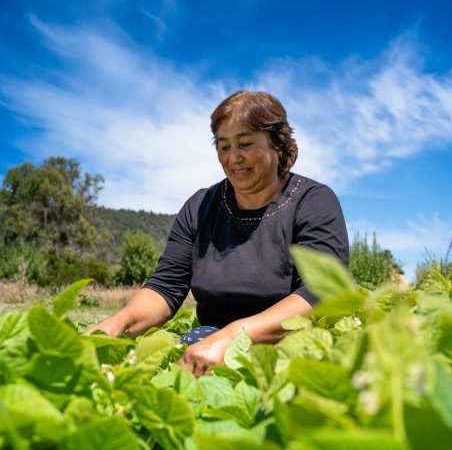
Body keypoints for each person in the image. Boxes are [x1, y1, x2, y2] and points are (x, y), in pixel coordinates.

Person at [87, 91, 348, 375]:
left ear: (277, 145)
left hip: (288, 342)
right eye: (223, 147)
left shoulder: (313, 201)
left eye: (245, 143)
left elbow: (321, 292)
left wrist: (234, 336)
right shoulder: (200, 206)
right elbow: (165, 287)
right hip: (210, 339)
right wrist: (119, 323)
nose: (234, 157)